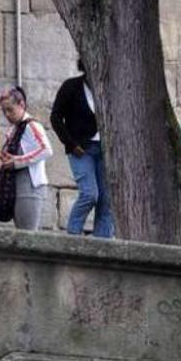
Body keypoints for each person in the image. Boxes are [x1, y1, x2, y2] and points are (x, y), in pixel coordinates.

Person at [50, 60, 114, 238]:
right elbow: (55, 117)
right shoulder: (71, 87)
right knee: (90, 194)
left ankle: (103, 243)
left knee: (106, 200)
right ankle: (73, 235)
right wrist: (70, 143)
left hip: (105, 149)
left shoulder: (109, 88)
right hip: (82, 150)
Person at [0, 86, 54, 230]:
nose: (7, 115)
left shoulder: (31, 125)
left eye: (10, 109)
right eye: (4, 111)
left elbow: (46, 150)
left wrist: (17, 161)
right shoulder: (15, 128)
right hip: (17, 185)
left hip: (31, 185)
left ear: (21, 104)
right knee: (21, 232)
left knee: (28, 233)